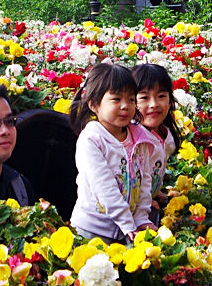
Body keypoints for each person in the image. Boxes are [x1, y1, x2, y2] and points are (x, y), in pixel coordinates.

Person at [69, 62, 155, 243]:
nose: (125, 106)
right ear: (94, 104)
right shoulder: (92, 139)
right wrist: (128, 224)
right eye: (116, 99)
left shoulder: (140, 138)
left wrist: (141, 218)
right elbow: (104, 187)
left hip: (128, 230)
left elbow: (145, 181)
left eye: (131, 99)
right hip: (93, 230)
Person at [132, 62, 181, 208]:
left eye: (161, 96)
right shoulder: (133, 138)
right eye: (144, 98)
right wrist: (144, 201)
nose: (154, 104)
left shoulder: (164, 131)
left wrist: (154, 191)